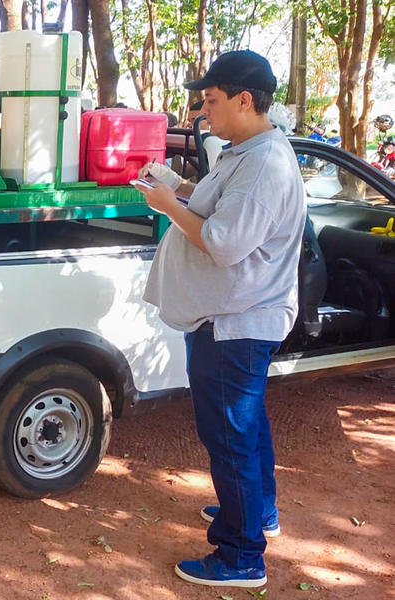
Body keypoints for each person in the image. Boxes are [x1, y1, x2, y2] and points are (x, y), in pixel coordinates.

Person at [135, 50, 305, 588]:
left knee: (229, 434)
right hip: (229, 317)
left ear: (244, 99)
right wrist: (178, 189)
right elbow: (220, 208)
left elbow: (224, 243)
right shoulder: (245, 152)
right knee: (246, 428)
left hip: (237, 322)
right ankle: (258, 513)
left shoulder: (263, 163)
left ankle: (240, 555)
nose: (204, 111)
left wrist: (167, 207)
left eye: (211, 100)